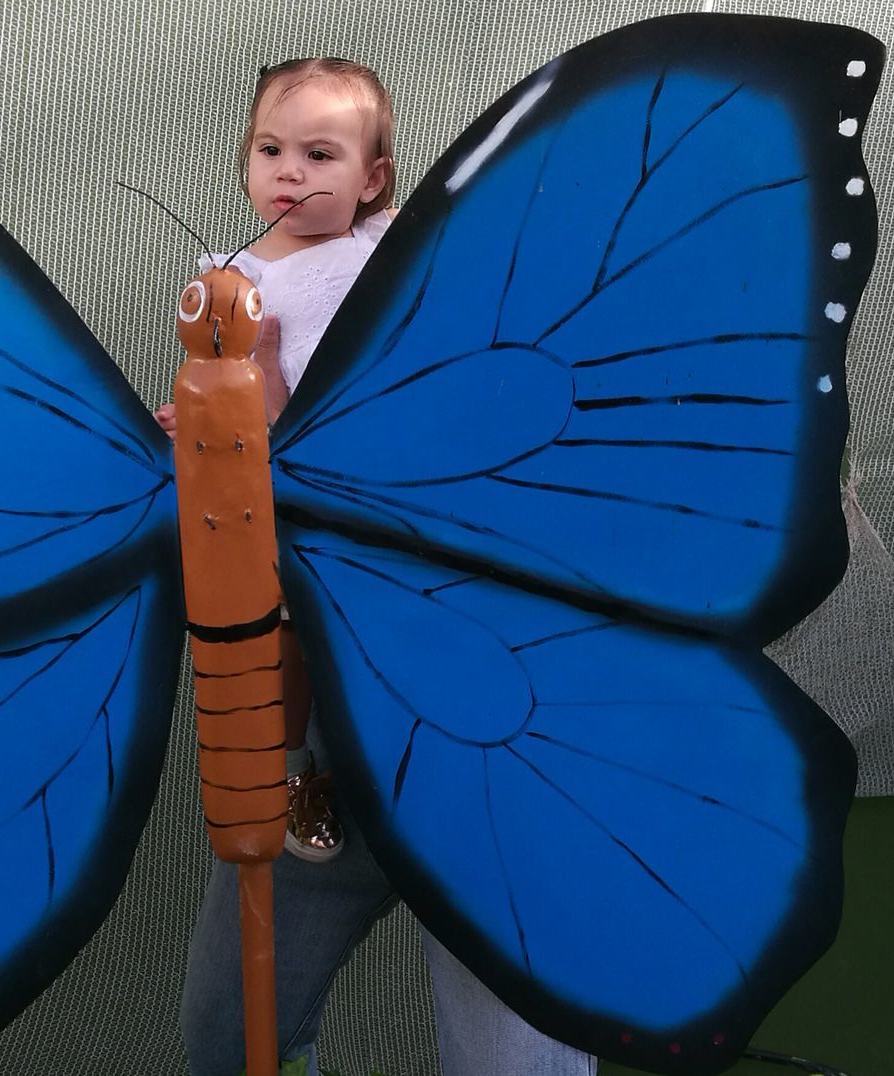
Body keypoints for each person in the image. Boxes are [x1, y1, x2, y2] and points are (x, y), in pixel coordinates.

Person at [157, 58, 598, 1076]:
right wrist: (202, 425)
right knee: (232, 1023)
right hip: (309, 624)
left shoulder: (394, 252)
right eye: (271, 150)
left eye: (321, 154)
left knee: (512, 1026)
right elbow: (238, 425)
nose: (291, 174)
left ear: (373, 176)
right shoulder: (232, 274)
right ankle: (305, 774)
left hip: (453, 649)